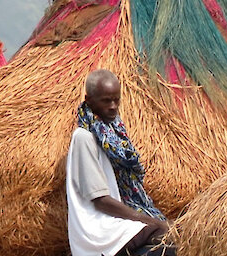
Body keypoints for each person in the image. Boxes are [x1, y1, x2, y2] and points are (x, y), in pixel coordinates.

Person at [65, 70, 174, 256]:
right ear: (89, 100)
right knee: (162, 233)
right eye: (106, 100)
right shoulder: (84, 138)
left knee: (170, 239)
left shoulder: (112, 132)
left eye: (116, 100)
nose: (113, 106)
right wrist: (149, 221)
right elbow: (101, 201)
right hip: (97, 227)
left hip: (112, 221)